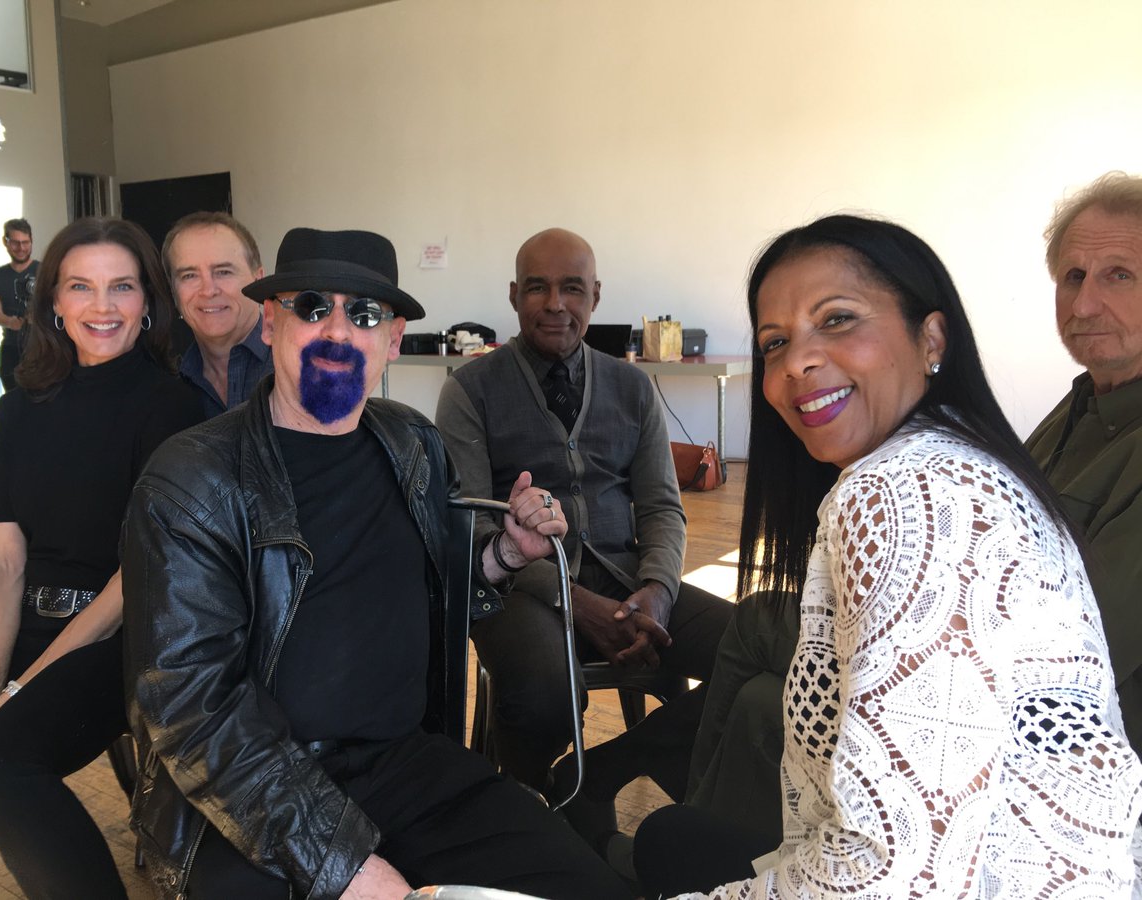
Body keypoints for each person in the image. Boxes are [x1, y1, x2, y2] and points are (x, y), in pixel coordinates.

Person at [119, 227, 633, 900]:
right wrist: (350, 869)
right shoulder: (191, 480)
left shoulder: (411, 441)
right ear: (270, 323)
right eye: (311, 306)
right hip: (247, 800)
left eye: (364, 314)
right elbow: (194, 712)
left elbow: (433, 592)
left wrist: (505, 554)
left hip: (408, 770)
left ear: (392, 340)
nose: (337, 330)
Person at [639, 214, 1142, 899]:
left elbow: (898, 877)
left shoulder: (907, 492)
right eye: (776, 342)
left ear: (931, 339)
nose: (797, 362)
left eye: (838, 319)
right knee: (669, 838)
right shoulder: (956, 444)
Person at [0, 217, 204, 898]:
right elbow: (4, 558)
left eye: (122, 286)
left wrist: (15, 694)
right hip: (26, 623)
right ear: (54, 301)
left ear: (148, 303)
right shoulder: (21, 409)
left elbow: (138, 574)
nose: (102, 305)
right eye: (81, 286)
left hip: (122, 642)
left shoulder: (174, 408)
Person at [434, 228, 733, 810]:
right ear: (514, 295)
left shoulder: (633, 387)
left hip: (628, 582)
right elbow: (472, 528)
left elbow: (662, 507)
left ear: (595, 295)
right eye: (537, 288)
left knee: (761, 655)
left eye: (572, 288)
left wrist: (658, 592)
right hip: (519, 591)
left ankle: (609, 772)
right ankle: (530, 811)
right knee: (544, 697)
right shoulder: (469, 390)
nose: (555, 304)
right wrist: (574, 601)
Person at [1027, 171, 1142, 759]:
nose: (1084, 304)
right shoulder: (1079, 405)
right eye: (1073, 277)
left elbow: (1083, 651)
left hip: (1082, 744)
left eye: (1119, 274)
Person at [162, 211, 273, 416]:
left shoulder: (300, 364)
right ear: (174, 293)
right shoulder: (170, 385)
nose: (208, 290)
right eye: (189, 275)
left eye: (223, 272)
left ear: (258, 280)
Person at [0, 217, 40, 391]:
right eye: (15, 243)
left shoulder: (46, 271)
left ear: (31, 241)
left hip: (44, 346)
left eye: (25, 242)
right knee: (14, 400)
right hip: (12, 348)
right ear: (5, 242)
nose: (21, 248)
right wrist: (11, 322)